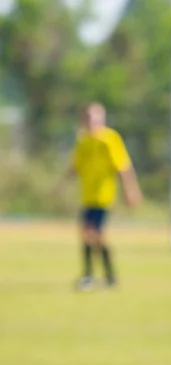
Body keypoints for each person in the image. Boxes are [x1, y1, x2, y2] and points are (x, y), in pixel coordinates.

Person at [55, 102, 142, 290]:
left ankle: (93, 276)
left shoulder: (110, 139)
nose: (92, 122)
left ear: (102, 119)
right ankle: (104, 277)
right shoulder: (83, 141)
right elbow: (75, 167)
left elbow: (123, 167)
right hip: (87, 196)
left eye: (96, 118)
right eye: (88, 118)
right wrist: (61, 186)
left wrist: (130, 191)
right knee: (89, 235)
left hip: (104, 197)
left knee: (93, 234)